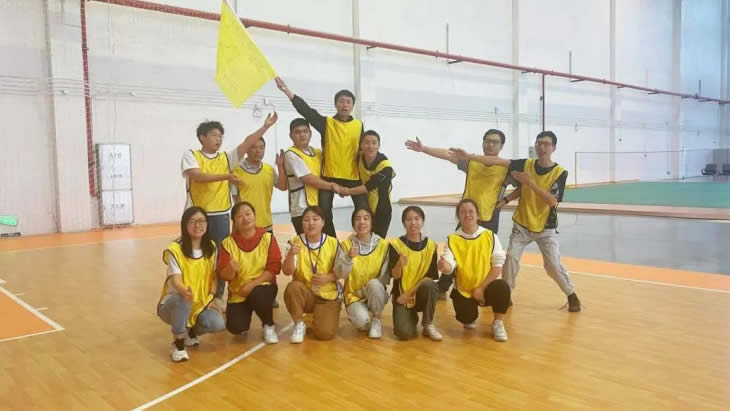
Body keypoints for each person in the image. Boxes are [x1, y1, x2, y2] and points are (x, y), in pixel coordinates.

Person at [450, 131, 581, 312]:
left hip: (545, 227)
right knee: (510, 259)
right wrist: (505, 199)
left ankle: (571, 294)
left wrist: (530, 183)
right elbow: (498, 162)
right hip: (522, 224)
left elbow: (552, 201)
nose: (542, 147)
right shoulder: (526, 164)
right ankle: (505, 295)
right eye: (539, 143)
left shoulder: (559, 172)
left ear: (554, 148)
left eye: (546, 144)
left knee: (552, 265)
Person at [182, 114, 278, 306]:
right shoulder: (192, 155)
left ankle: (217, 297)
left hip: (220, 215)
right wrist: (225, 176)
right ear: (202, 137)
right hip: (197, 215)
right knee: (195, 255)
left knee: (220, 257)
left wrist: (265, 126)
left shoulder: (227, 157)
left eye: (221, 136)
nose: (218, 139)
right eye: (214, 135)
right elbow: (198, 176)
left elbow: (247, 142)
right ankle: (192, 293)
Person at [406, 129, 509, 299]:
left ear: (501, 146)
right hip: (466, 216)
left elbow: (524, 183)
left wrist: (506, 200)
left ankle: (483, 289)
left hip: (489, 217)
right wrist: (423, 148)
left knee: (485, 257)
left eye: (495, 142)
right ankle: (443, 288)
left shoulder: (506, 167)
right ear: (483, 143)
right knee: (455, 252)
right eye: (488, 141)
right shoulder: (471, 162)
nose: (490, 144)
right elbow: (448, 154)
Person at [275, 76, 367, 236]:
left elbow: (364, 150)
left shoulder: (359, 125)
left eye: (348, 102)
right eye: (341, 101)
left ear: (353, 105)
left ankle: (363, 240)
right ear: (335, 104)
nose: (345, 105)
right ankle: (331, 243)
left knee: (364, 210)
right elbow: (307, 112)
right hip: (329, 176)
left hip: (353, 177)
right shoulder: (327, 123)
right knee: (323, 213)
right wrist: (287, 91)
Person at [157, 207, 225, 362]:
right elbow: (176, 280)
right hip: (172, 304)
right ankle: (178, 344)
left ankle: (190, 332)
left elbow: (214, 276)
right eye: (192, 222)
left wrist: (211, 297)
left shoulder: (211, 247)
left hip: (199, 303)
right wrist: (185, 291)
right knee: (184, 299)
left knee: (217, 323)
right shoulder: (175, 249)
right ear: (185, 225)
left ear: (207, 224)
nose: (197, 225)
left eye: (201, 221)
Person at [439, 199, 511, 342]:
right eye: (463, 212)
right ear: (458, 217)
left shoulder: (490, 236)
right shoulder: (452, 239)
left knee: (502, 287)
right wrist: (445, 266)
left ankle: (498, 323)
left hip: (486, 286)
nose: (467, 215)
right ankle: (470, 313)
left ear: (477, 214)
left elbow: (498, 266)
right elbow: (449, 263)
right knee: (467, 320)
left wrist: (481, 289)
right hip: (464, 289)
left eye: (471, 211)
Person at [218, 202, 282, 344]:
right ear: (234, 221)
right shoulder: (227, 243)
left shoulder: (267, 238)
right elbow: (224, 275)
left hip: (263, 287)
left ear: (254, 216)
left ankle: (268, 325)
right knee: (236, 328)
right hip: (239, 293)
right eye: (240, 216)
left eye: (248, 214)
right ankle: (247, 310)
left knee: (258, 294)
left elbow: (274, 269)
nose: (245, 218)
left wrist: (251, 285)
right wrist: (230, 269)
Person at [282, 206, 345, 342]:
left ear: (323, 222)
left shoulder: (333, 243)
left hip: (328, 294)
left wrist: (328, 278)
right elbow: (287, 271)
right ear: (302, 223)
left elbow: (342, 271)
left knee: (324, 334)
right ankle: (299, 324)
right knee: (292, 288)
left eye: (315, 219)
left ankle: (325, 313)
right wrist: (291, 255)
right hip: (306, 293)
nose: (311, 223)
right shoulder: (294, 243)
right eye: (306, 220)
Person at [388, 206, 443, 341]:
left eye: (417, 219)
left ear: (422, 221)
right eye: (408, 219)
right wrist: (398, 265)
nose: (413, 223)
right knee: (404, 334)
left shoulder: (431, 246)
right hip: (401, 295)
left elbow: (430, 277)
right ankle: (410, 315)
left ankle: (427, 324)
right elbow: (395, 275)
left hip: (418, 293)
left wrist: (409, 294)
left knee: (430, 285)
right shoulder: (396, 245)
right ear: (403, 223)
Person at [335, 208, 390, 339]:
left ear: (372, 222)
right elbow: (340, 274)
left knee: (374, 284)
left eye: (366, 218)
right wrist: (348, 258)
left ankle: (376, 318)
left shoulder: (383, 245)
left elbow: (384, 278)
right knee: (362, 325)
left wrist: (365, 291)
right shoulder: (346, 244)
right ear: (353, 223)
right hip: (353, 296)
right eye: (357, 219)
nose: (362, 222)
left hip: (375, 292)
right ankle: (360, 315)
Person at [284, 118, 345, 235]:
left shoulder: (317, 153)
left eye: (305, 131)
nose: (302, 135)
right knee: (307, 245)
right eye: (297, 132)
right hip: (302, 210)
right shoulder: (291, 154)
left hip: (320, 208)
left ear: (310, 133)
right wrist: (333, 186)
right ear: (291, 136)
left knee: (330, 242)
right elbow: (308, 179)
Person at [343, 130, 395, 238]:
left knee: (377, 241)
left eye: (374, 143)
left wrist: (346, 191)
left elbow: (367, 187)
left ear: (378, 146)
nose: (370, 146)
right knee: (363, 238)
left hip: (382, 209)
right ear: (361, 145)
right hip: (365, 205)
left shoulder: (386, 167)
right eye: (366, 143)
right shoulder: (359, 157)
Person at [232, 134, 287, 233]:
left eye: (261, 147)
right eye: (254, 147)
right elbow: (235, 201)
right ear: (246, 149)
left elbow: (283, 187)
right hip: (245, 225)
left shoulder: (269, 169)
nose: (258, 151)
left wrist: (280, 167)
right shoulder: (236, 171)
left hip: (266, 224)